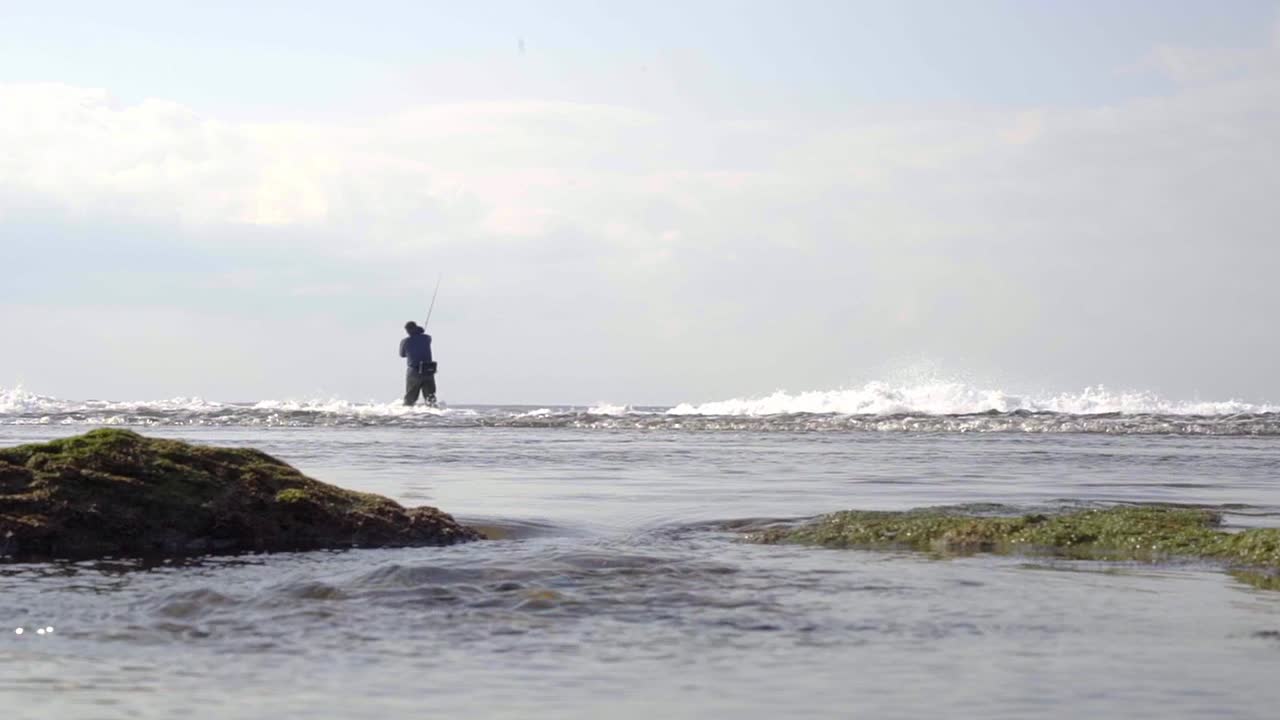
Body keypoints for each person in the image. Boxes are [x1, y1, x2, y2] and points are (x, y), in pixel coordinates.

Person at [399, 321, 437, 407]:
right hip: (428, 370)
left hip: (414, 371)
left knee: (410, 399)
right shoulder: (426, 338)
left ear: (407, 331)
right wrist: (420, 331)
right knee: (430, 398)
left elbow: (402, 354)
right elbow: (428, 338)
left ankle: (408, 414)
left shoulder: (405, 341)